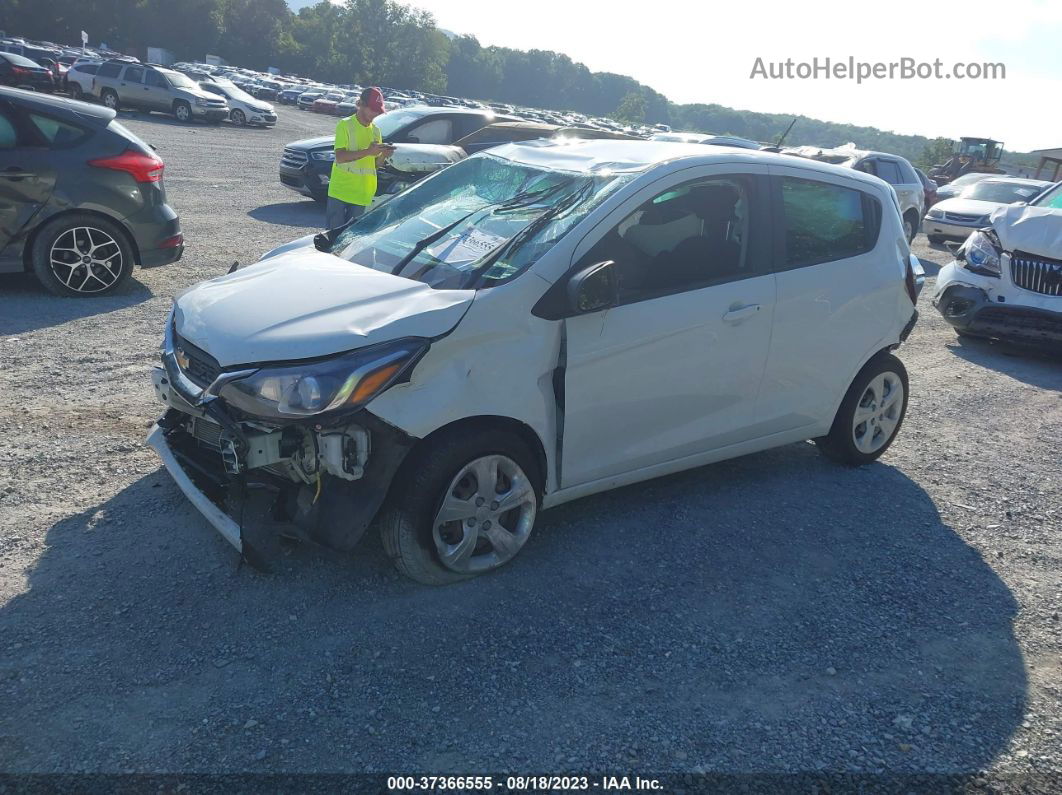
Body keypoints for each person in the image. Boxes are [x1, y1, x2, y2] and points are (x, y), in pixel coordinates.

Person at [325, 86, 395, 230]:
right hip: (341, 191)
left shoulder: (376, 130)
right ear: (361, 104)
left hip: (363, 195)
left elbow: (374, 165)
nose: (375, 113)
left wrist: (383, 156)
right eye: (373, 109)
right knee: (332, 238)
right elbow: (340, 157)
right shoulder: (345, 125)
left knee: (350, 241)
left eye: (378, 110)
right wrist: (369, 151)